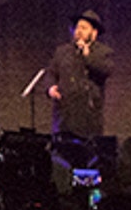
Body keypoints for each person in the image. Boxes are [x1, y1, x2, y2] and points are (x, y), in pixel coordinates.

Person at [47, 9, 113, 138]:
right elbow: (51, 72)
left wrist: (87, 56)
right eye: (77, 27)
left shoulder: (103, 52)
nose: (79, 30)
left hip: (88, 118)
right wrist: (50, 88)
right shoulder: (62, 51)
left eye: (84, 28)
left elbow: (106, 70)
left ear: (94, 33)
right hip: (64, 116)